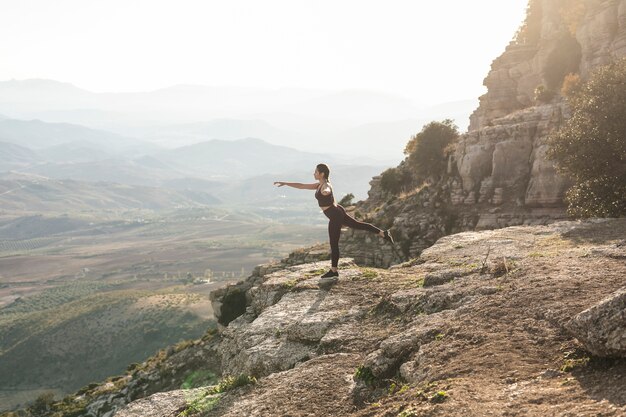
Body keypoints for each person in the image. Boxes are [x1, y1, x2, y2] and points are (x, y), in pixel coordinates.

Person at [274, 163, 394, 280]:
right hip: (337, 211)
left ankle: (334, 271)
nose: (314, 173)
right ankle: (383, 233)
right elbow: (302, 186)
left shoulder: (326, 186)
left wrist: (326, 192)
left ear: (322, 174)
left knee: (334, 243)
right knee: (358, 225)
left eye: (316, 171)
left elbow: (327, 190)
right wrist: (285, 183)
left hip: (335, 215)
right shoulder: (319, 185)